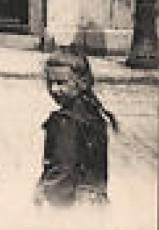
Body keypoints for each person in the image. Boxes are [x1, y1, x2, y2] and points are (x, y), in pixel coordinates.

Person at [35, 47, 117, 207]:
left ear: (82, 83)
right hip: (95, 204)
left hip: (70, 204)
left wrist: (45, 202)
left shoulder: (64, 120)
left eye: (61, 83)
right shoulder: (93, 113)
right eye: (49, 83)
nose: (53, 89)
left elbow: (61, 172)